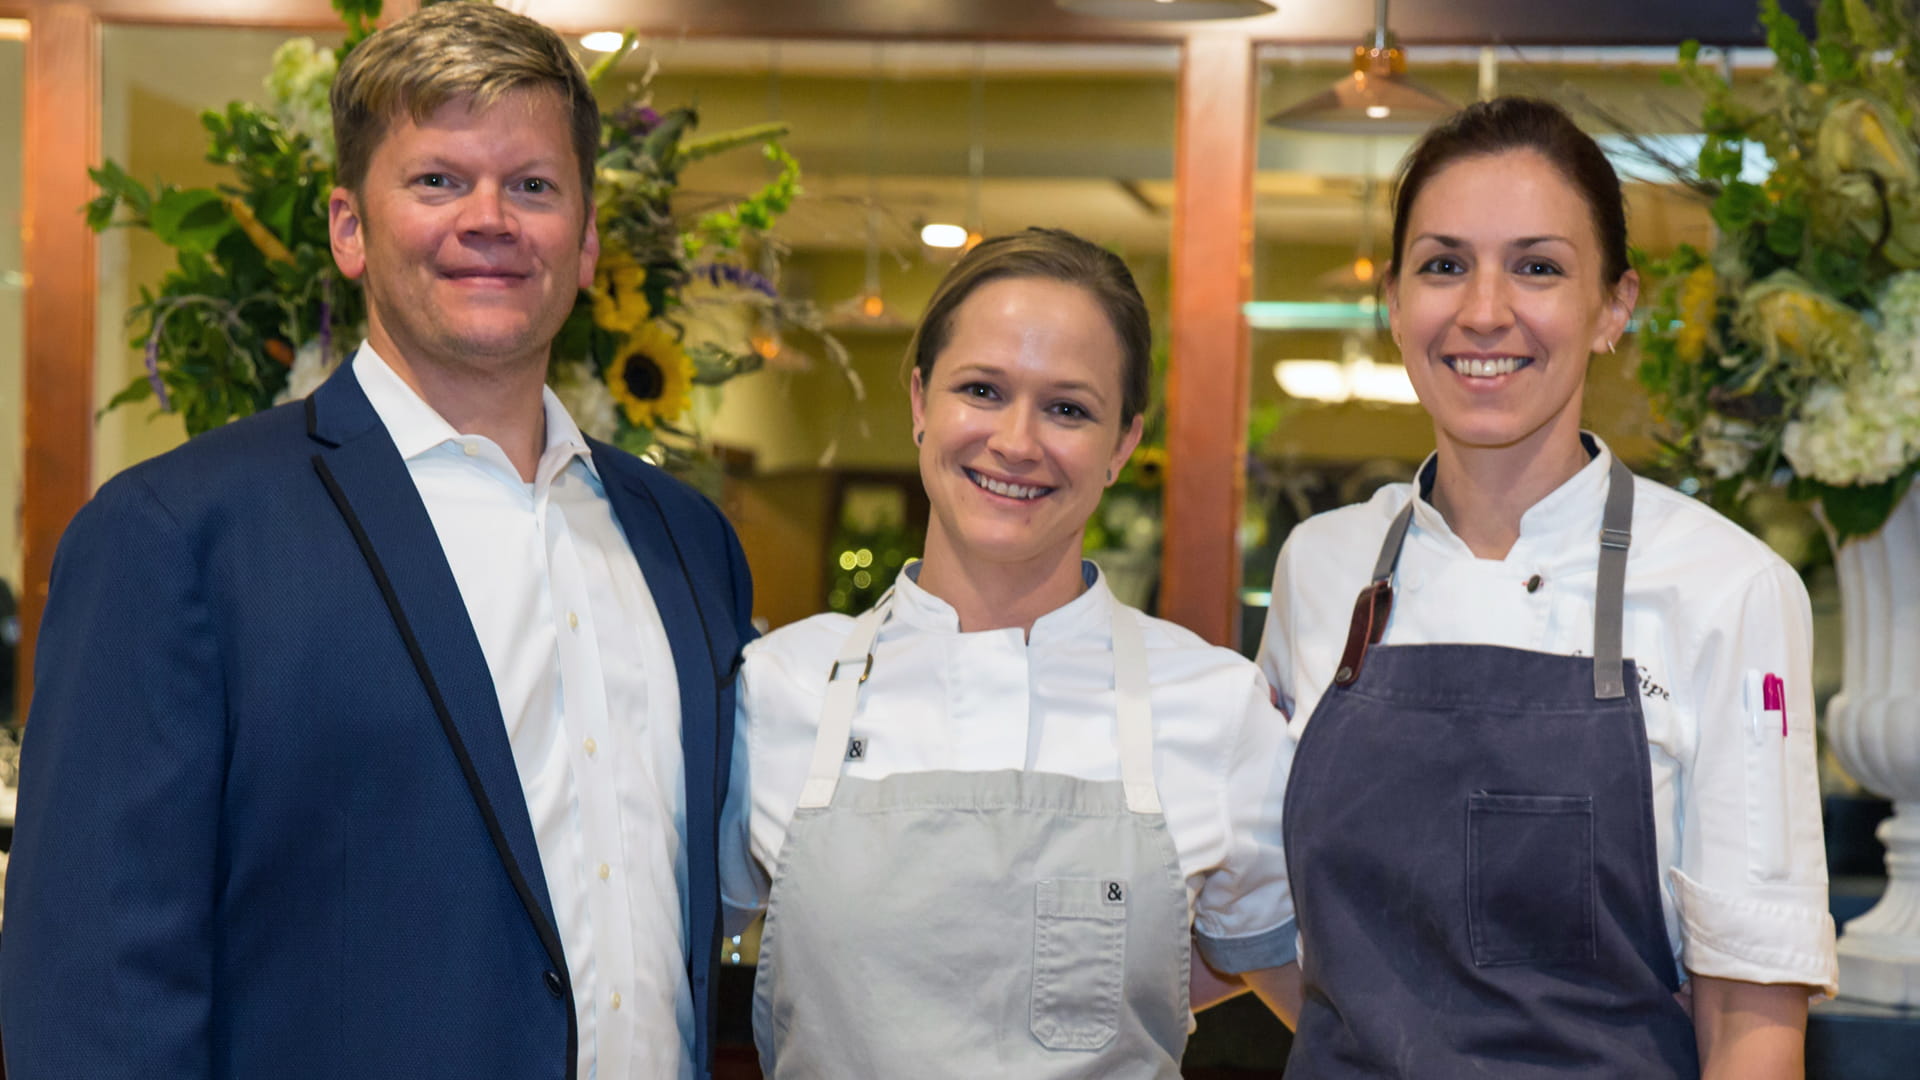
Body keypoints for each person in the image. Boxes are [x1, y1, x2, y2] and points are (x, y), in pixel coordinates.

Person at [0, 6, 752, 1079]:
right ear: (349, 229)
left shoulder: (688, 544)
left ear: (586, 242)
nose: (489, 218)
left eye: (533, 186)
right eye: (438, 180)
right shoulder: (174, 539)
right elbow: (98, 995)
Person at [1259, 97, 1837, 1078]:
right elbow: (1279, 928)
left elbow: (1751, 1013)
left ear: (1614, 307)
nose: (1485, 311)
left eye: (1538, 266)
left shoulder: (1729, 589)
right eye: (1444, 264)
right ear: (1394, 304)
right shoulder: (1322, 569)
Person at [721, 228, 1300, 1078]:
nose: (1018, 442)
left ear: (1124, 444)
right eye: (983, 390)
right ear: (920, 401)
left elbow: (1347, 1013)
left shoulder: (1215, 707)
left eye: (1069, 408)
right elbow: (644, 967)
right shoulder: (778, 691)